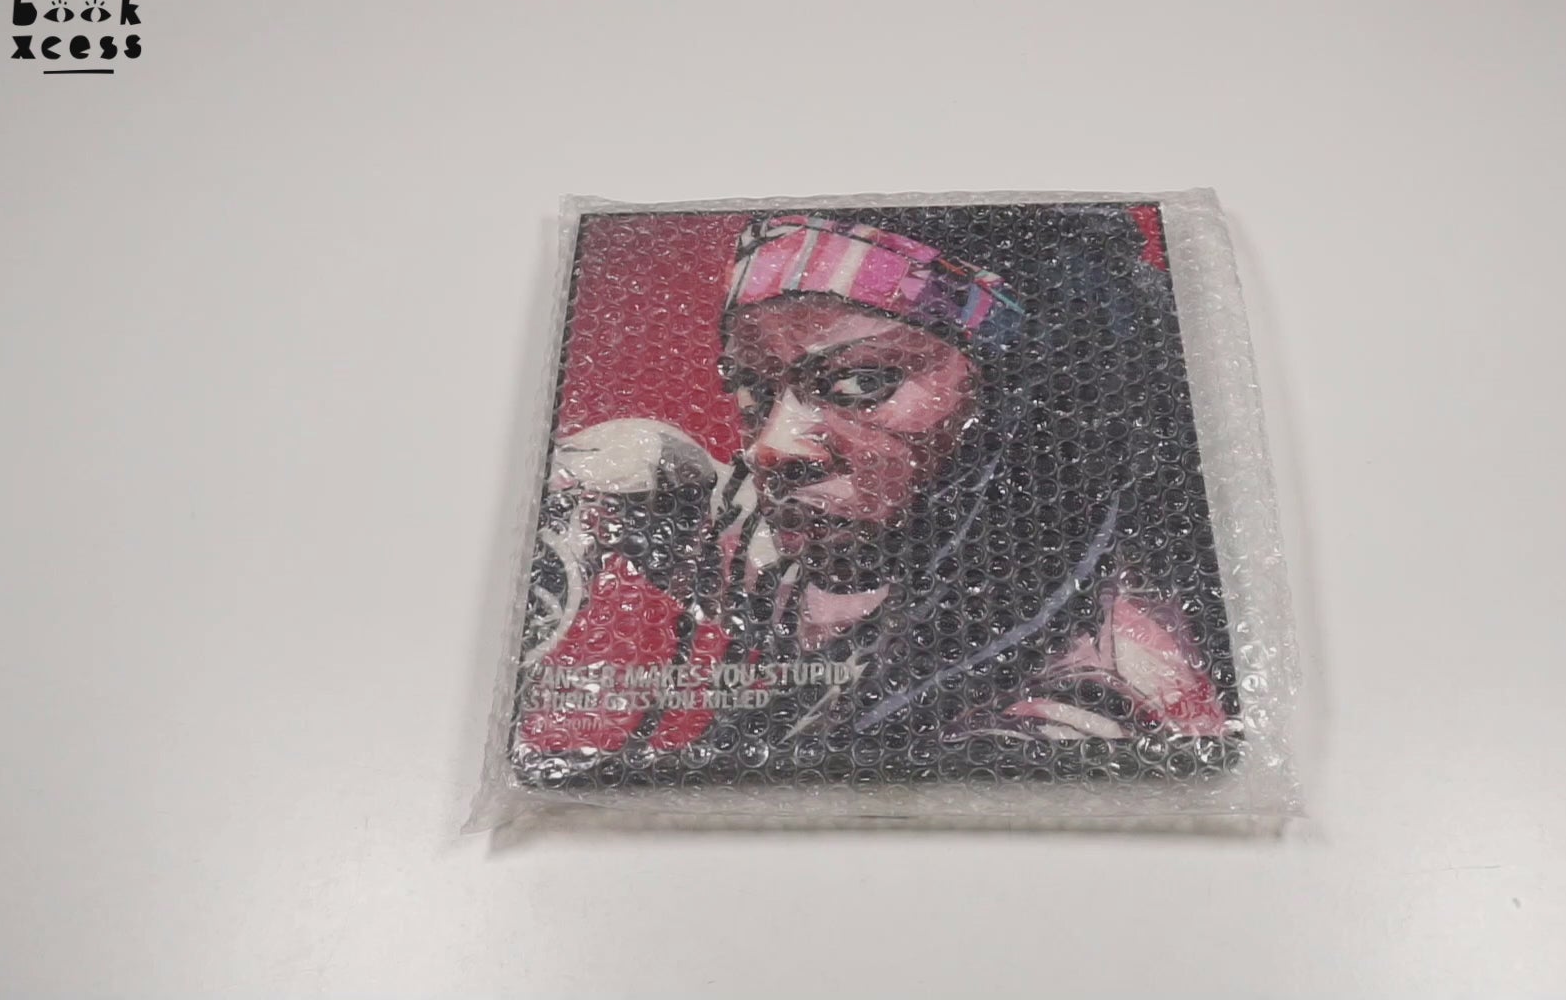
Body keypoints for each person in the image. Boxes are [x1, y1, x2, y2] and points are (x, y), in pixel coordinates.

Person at [524, 205, 1238, 780]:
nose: (773, 446)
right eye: (753, 392)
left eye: (863, 383)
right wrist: (632, 468)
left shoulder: (1075, 710)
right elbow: (744, 552)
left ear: (1022, 403)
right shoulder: (949, 582)